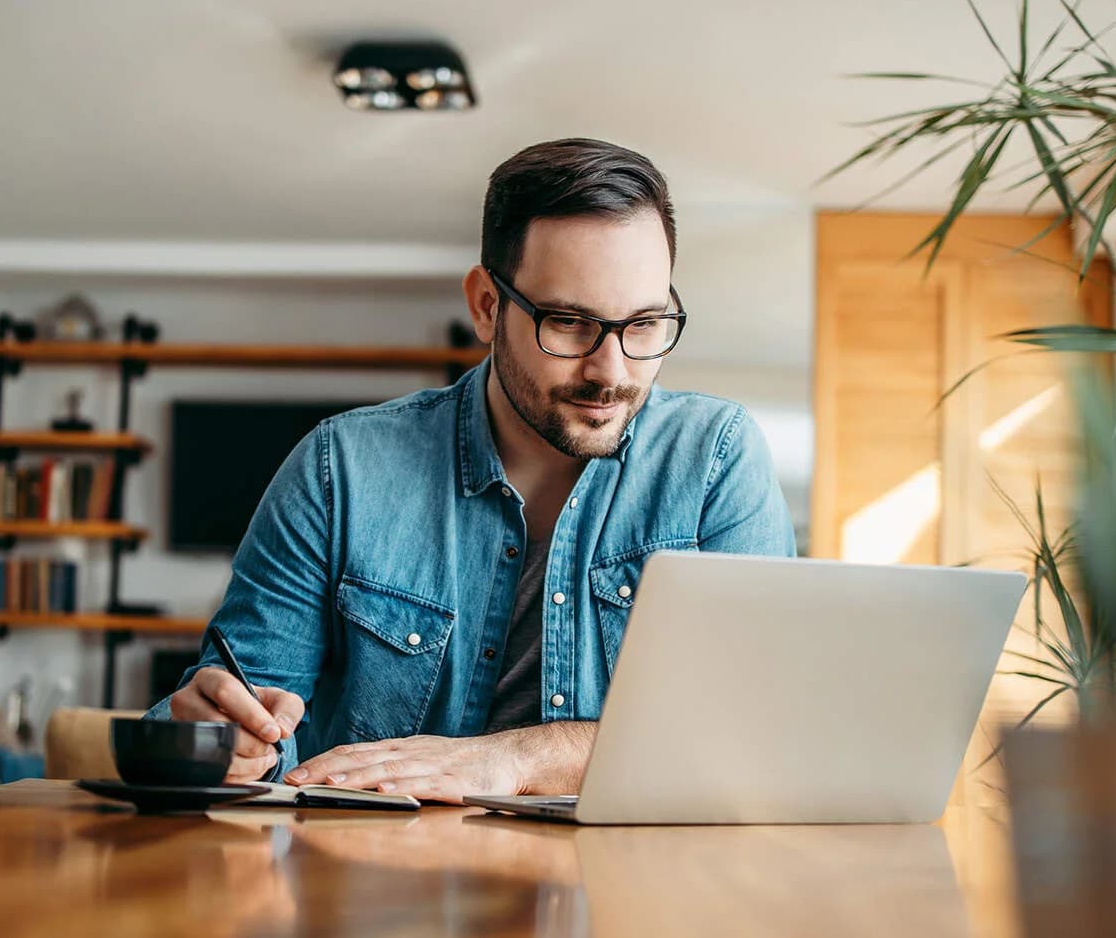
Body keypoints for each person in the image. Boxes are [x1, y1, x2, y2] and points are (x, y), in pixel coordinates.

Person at [145, 137, 795, 803]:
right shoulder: (339, 469)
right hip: (377, 894)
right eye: (569, 323)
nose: (613, 370)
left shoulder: (716, 459)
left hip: (632, 898)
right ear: (487, 305)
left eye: (645, 323)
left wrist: (514, 760)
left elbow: (765, 733)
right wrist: (220, 741)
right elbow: (234, 721)